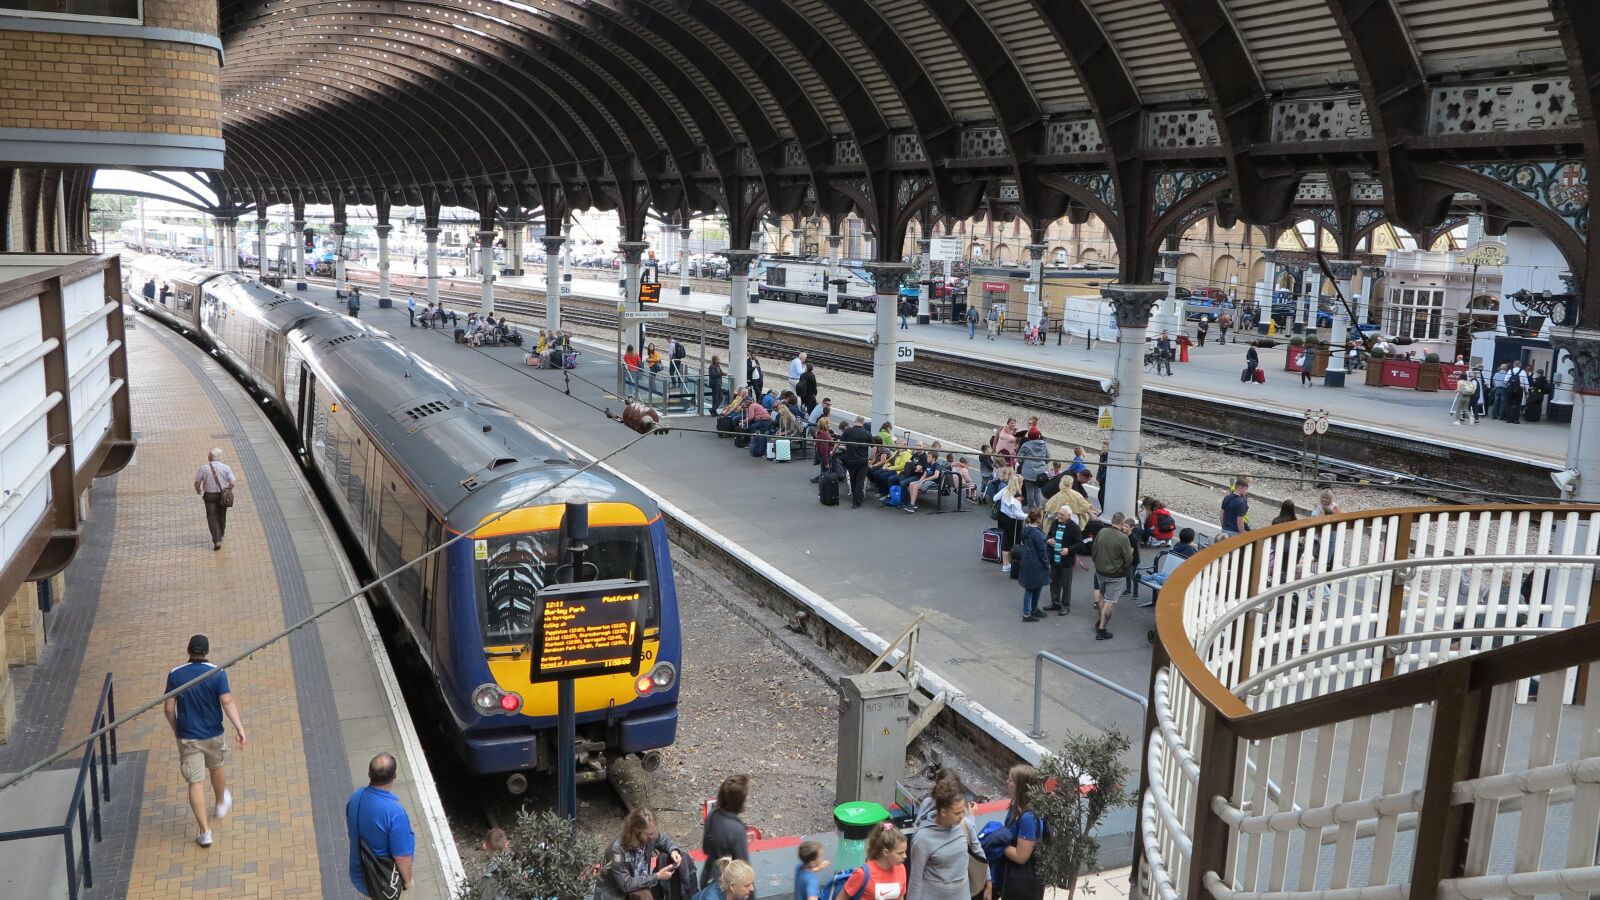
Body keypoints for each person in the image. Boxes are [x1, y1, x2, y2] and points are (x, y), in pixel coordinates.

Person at [164, 634, 245, 849]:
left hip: (188, 736)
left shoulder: (175, 675)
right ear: (207, 651)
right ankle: (220, 804)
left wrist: (177, 729)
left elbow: (169, 708)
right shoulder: (217, 672)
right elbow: (226, 702)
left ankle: (205, 832)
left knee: (195, 782)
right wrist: (239, 728)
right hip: (213, 733)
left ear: (187, 650)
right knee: (216, 767)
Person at [906, 777, 987, 900]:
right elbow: (915, 880)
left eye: (963, 811)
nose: (962, 816)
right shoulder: (923, 838)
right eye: (957, 813)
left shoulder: (963, 824)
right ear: (943, 811)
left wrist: (989, 881)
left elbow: (979, 852)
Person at [346, 753, 415, 896]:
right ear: (395, 775)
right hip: (383, 882)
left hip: (360, 873)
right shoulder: (395, 813)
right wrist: (408, 882)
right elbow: (401, 856)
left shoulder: (355, 797)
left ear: (369, 773)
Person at [597, 808, 687, 900]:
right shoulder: (617, 851)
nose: (654, 836)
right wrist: (657, 876)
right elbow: (626, 885)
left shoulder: (648, 837)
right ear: (636, 832)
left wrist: (674, 851)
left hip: (641, 882)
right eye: (650, 834)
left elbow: (664, 840)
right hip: (617, 894)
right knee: (644, 894)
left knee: (676, 858)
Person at [994, 765, 1044, 900]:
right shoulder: (1016, 806)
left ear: (1020, 786)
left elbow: (1021, 856)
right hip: (1012, 878)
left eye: (1010, 780)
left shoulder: (1029, 818)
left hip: (1023, 886)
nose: (1007, 782)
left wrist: (995, 842)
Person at [1091, 513, 1135, 640]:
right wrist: (1124, 571)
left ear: (1111, 520)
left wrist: (1098, 564)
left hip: (1100, 571)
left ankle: (1099, 620)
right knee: (1110, 601)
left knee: (1102, 597)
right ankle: (1102, 629)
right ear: (1122, 523)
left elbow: (1094, 550)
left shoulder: (1102, 532)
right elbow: (1128, 559)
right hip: (1116, 574)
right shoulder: (1123, 538)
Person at [701, 774, 751, 884]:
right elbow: (744, 870)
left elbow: (705, 849)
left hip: (708, 877)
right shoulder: (737, 830)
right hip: (727, 886)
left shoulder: (712, 816)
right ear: (739, 801)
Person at [841, 822, 908, 900]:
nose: (905, 856)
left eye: (905, 851)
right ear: (886, 852)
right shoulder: (862, 874)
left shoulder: (901, 868)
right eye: (900, 853)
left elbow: (900, 896)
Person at [194, 447, 237, 551]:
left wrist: (198, 489)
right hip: (222, 495)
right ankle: (221, 533)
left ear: (210, 456)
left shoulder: (203, 468)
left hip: (209, 496)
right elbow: (232, 482)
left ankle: (216, 539)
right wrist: (228, 490)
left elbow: (197, 482)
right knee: (222, 514)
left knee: (211, 516)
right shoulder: (226, 468)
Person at [1043, 507, 1082, 616]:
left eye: (1062, 514)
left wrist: (1068, 549)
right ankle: (1055, 603)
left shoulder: (1074, 527)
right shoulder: (1055, 523)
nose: (1059, 516)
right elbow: (1050, 535)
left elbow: (1080, 544)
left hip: (1066, 562)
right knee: (1054, 582)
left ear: (1068, 516)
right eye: (1058, 513)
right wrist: (1049, 540)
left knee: (1066, 584)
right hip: (1054, 559)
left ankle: (1065, 606)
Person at [1016, 509, 1051, 622]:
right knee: (1032, 589)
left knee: (1033, 587)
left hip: (1027, 562)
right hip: (1036, 565)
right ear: (1038, 519)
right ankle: (1027, 614)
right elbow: (1042, 552)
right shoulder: (1038, 534)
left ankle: (1033, 609)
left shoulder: (1026, 529)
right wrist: (1047, 564)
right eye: (1042, 516)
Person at [840, 418, 873, 509]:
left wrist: (833, 451)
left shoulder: (848, 431)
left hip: (850, 460)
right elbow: (873, 446)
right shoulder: (867, 433)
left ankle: (856, 498)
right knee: (860, 481)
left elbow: (838, 442)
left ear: (855, 421)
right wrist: (870, 458)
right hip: (862, 461)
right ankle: (857, 501)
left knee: (853, 480)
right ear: (862, 423)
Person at [1017, 430, 1049, 508]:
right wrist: (1043, 463)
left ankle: (1031, 509)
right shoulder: (1044, 444)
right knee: (1037, 490)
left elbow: (1019, 458)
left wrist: (1023, 463)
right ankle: (1039, 508)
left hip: (1028, 471)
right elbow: (1048, 457)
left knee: (1029, 491)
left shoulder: (1026, 445)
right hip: (1040, 471)